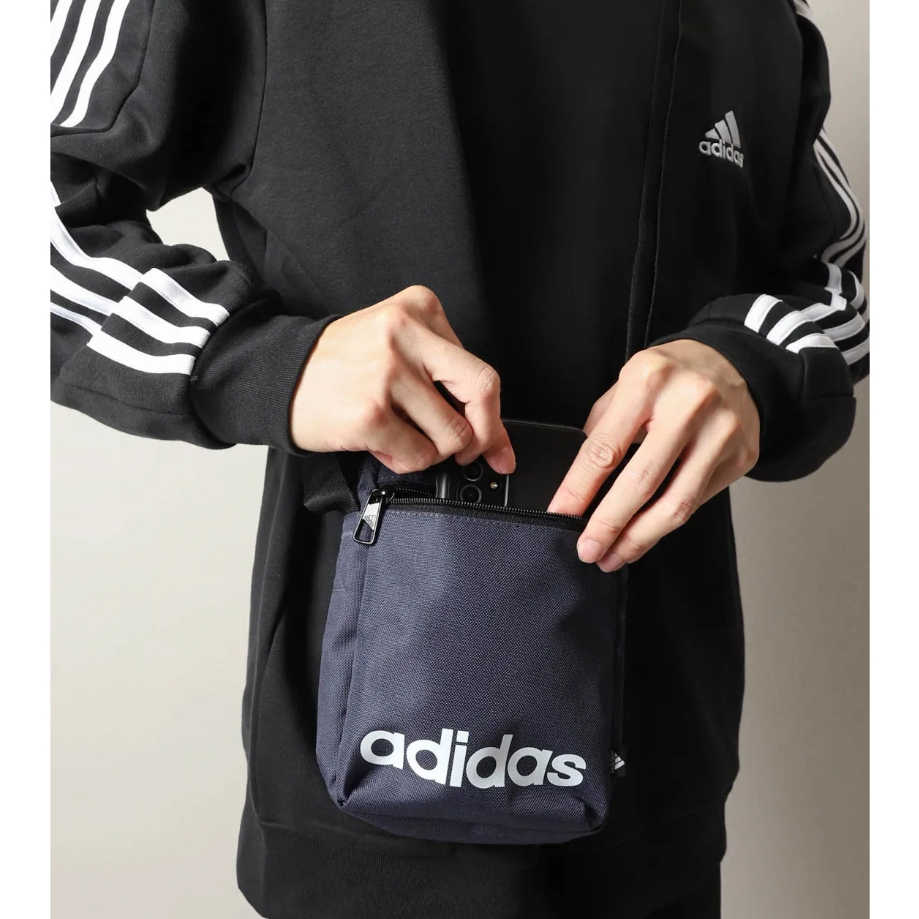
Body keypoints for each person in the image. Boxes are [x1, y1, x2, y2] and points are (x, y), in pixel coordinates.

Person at [50, 0, 868, 916]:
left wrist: (748, 364)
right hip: (370, 780)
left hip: (657, 784)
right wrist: (269, 361)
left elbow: (830, 274)